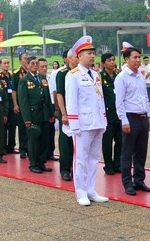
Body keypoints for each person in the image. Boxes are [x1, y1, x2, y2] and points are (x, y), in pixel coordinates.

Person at [64, 35, 108, 206]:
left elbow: (100, 100)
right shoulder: (73, 75)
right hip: (83, 124)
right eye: (88, 53)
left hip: (97, 122)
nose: (92, 55)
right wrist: (74, 125)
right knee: (81, 159)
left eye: (93, 52)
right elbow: (71, 102)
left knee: (94, 158)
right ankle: (80, 191)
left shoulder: (96, 75)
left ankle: (91, 189)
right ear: (79, 56)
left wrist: (104, 121)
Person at [115, 47, 150, 195]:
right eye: (135, 57)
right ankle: (127, 183)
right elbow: (119, 102)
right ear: (126, 59)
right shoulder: (122, 77)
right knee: (127, 152)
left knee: (141, 152)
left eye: (139, 57)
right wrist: (124, 121)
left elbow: (144, 98)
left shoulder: (140, 76)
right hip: (130, 118)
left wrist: (149, 116)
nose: (138, 60)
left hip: (142, 117)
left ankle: (139, 180)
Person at [18, 56, 53, 174]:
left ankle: (41, 162)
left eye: (36, 63)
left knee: (44, 139)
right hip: (33, 114)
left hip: (43, 113)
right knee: (33, 140)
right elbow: (23, 101)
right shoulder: (24, 80)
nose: (35, 66)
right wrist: (27, 118)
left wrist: (51, 112)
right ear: (27, 65)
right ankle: (33, 164)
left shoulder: (43, 78)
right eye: (32, 63)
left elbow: (47, 96)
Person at [55, 49, 76, 182]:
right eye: (75, 57)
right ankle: (65, 169)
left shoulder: (81, 73)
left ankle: (76, 168)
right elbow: (59, 94)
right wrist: (63, 114)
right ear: (68, 59)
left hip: (79, 113)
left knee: (78, 143)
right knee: (65, 142)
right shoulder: (62, 74)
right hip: (67, 114)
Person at [100, 53, 121, 175]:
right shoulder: (100, 77)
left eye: (113, 60)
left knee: (120, 141)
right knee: (107, 142)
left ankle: (118, 164)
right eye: (109, 61)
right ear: (103, 63)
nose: (112, 62)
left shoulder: (118, 76)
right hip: (107, 115)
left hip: (118, 114)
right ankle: (108, 165)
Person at [11, 52, 30, 159]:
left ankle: (30, 148)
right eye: (25, 58)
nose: (27, 60)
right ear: (20, 61)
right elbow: (14, 90)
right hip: (21, 104)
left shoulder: (31, 72)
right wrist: (15, 104)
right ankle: (23, 149)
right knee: (22, 128)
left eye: (28, 58)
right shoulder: (17, 73)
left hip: (31, 104)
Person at [38, 58, 56, 163]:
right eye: (42, 67)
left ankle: (50, 152)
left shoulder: (50, 78)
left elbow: (54, 92)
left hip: (51, 105)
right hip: (41, 108)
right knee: (42, 133)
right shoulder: (37, 80)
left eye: (46, 66)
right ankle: (42, 155)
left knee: (51, 131)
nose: (45, 68)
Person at [0, 58, 17, 154]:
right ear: (0, 65)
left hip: (12, 104)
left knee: (12, 127)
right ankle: (3, 146)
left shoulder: (12, 76)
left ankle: (11, 146)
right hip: (4, 105)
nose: (6, 65)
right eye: (4, 63)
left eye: (7, 63)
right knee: (3, 127)